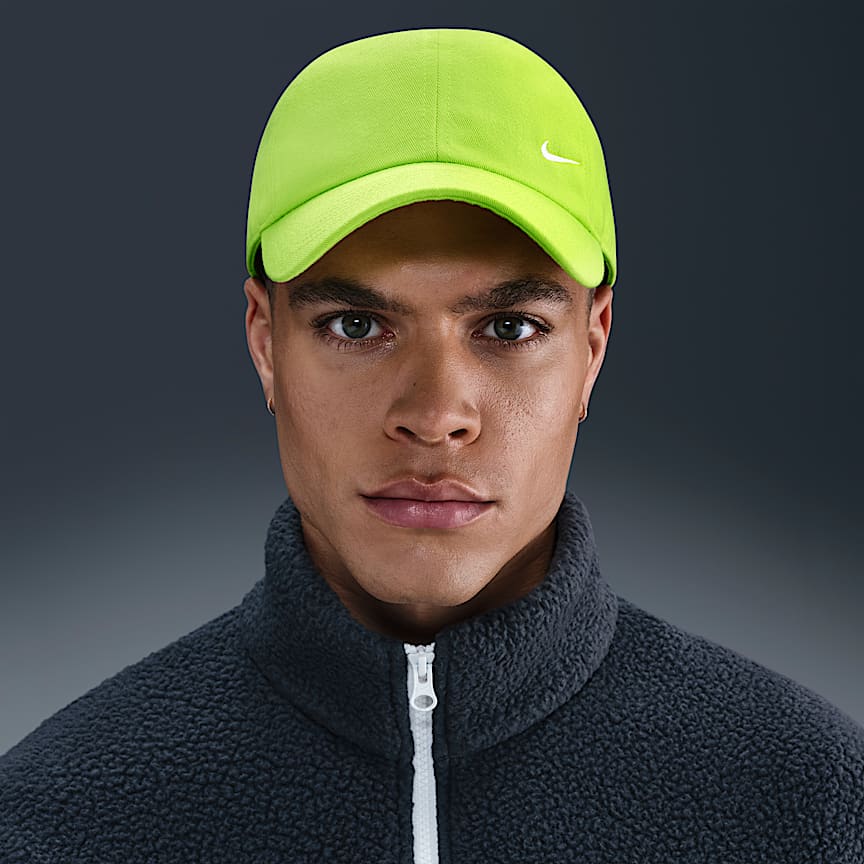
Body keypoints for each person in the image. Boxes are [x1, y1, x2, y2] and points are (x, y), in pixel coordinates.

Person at [1, 26, 862, 863]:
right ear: (265, 341)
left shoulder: (811, 802)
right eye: (356, 324)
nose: (436, 414)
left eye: (510, 327)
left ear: (593, 345)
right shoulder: (54, 821)